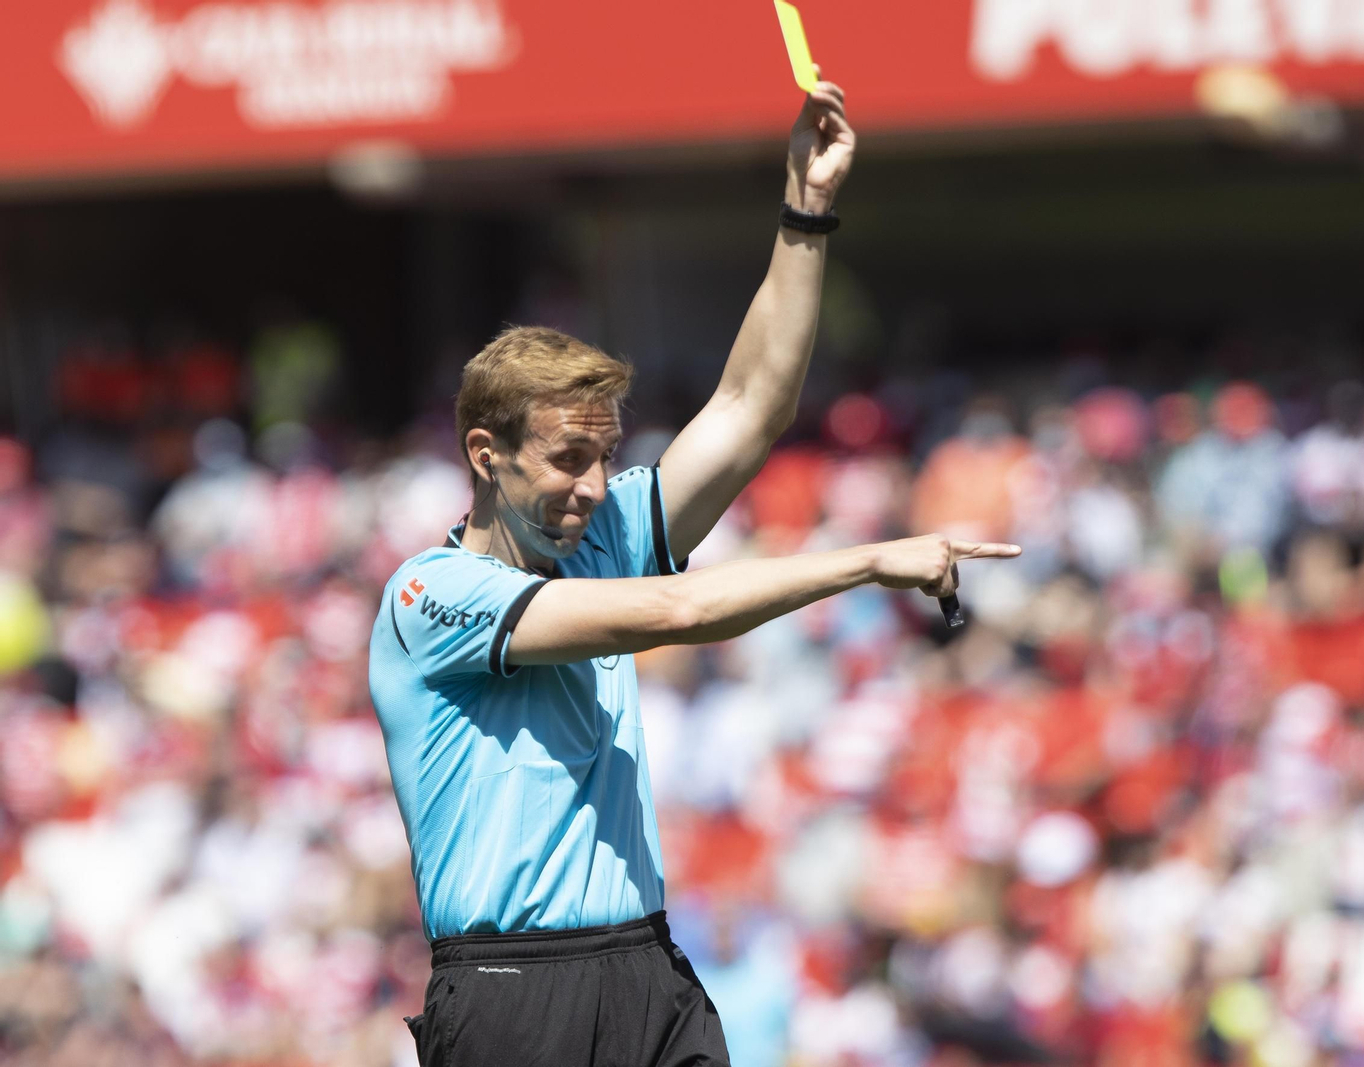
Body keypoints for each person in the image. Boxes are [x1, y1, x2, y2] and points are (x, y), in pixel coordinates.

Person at [367, 78, 1021, 1067]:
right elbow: (673, 608)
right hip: (513, 989)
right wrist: (868, 558)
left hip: (645, 963)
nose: (595, 487)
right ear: (485, 455)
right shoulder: (430, 596)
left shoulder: (600, 536)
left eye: (605, 456)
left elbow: (755, 405)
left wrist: (806, 209)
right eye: (566, 460)